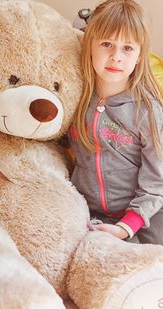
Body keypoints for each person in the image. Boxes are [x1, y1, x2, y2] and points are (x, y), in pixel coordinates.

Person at [68, 0, 163, 244]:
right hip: (91, 215)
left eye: (127, 48)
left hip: (144, 218)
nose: (116, 57)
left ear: (140, 54)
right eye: (107, 44)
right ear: (89, 45)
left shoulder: (146, 111)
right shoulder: (76, 98)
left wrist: (127, 226)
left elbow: (157, 179)